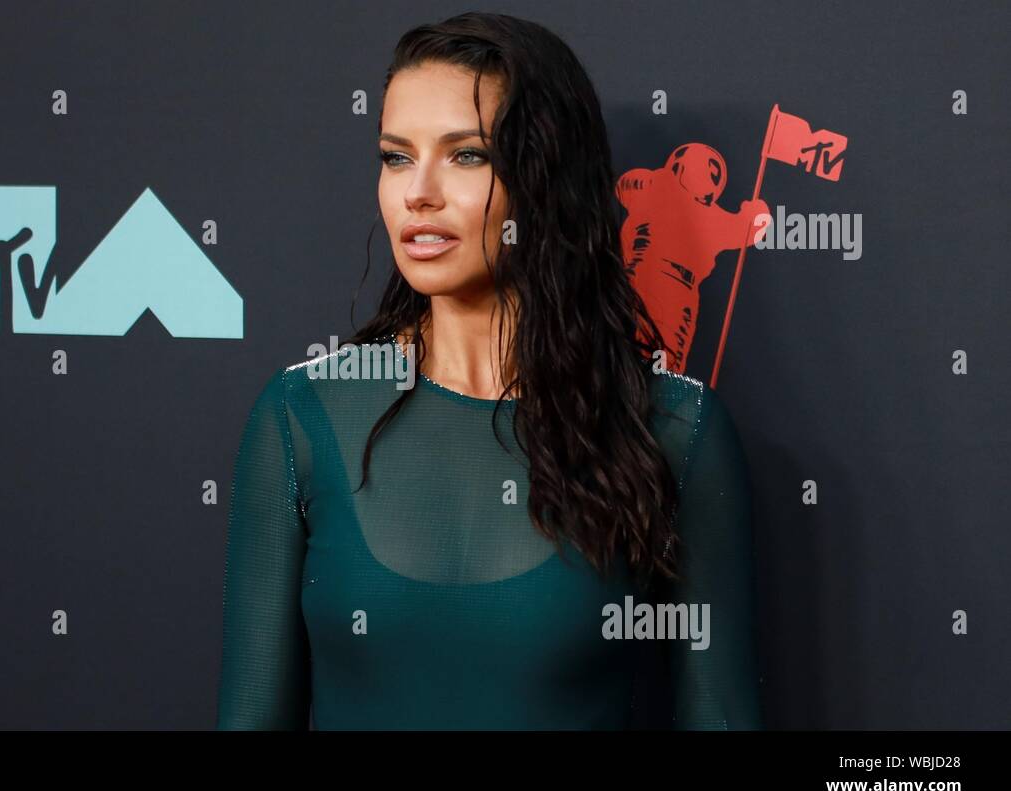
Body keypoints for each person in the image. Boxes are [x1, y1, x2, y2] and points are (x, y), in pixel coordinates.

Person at [216, 11, 761, 730]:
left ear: (549, 179)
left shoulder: (673, 430)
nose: (419, 192)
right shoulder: (304, 417)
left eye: (466, 155)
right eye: (395, 156)